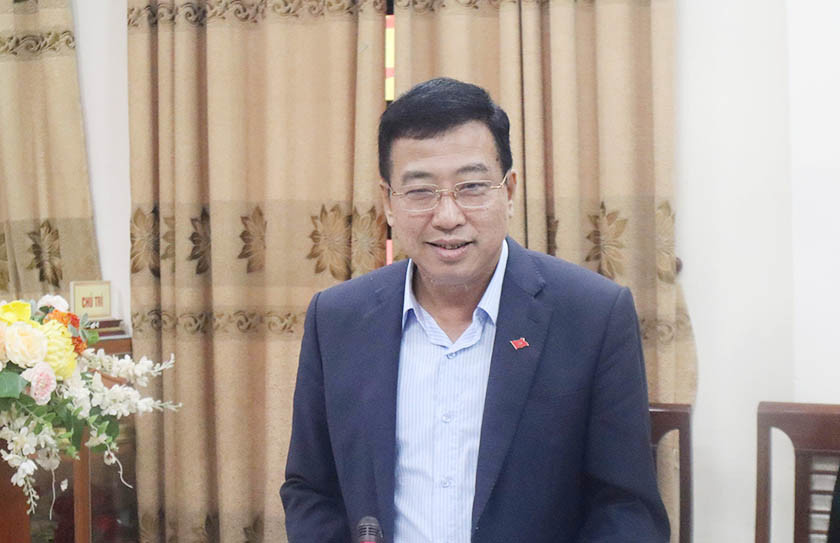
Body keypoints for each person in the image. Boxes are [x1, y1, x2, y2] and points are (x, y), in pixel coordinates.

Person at [281, 77, 669, 542]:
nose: (448, 217)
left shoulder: (593, 315)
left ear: (509, 190)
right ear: (388, 202)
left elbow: (625, 509)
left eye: (471, 187)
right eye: (420, 191)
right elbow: (311, 489)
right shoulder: (337, 317)